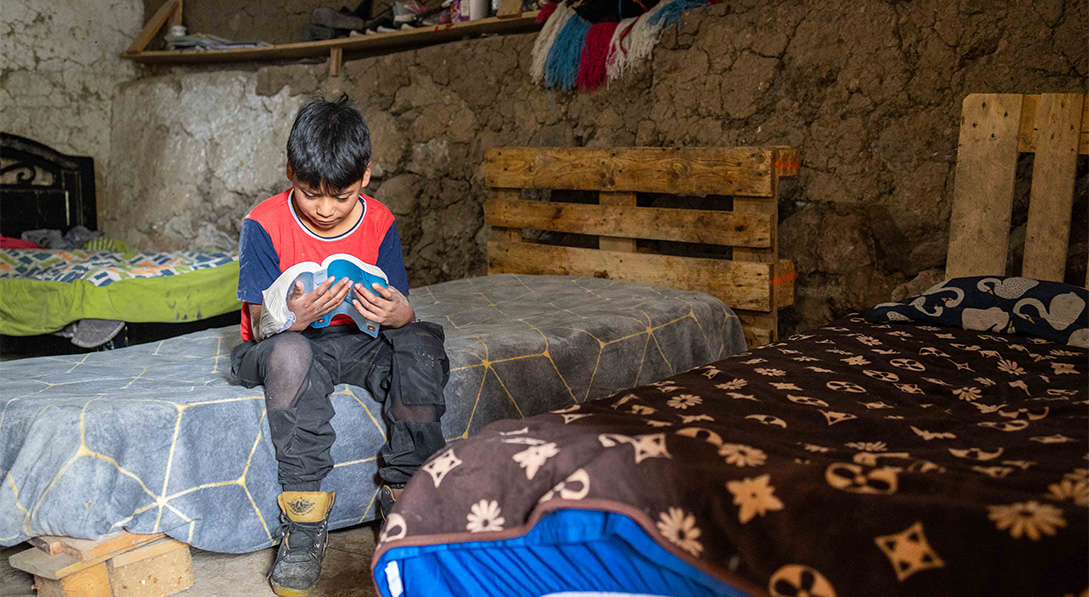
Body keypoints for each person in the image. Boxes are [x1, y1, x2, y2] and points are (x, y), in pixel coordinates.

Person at [230, 95, 449, 597]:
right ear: (290, 172)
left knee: (420, 342)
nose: (326, 209)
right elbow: (260, 325)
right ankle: (304, 524)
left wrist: (402, 313)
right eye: (310, 194)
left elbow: (399, 301)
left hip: (357, 340)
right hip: (287, 343)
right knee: (290, 353)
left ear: (366, 176)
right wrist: (291, 316)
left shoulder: (379, 221)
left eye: (342, 196)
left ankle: (406, 495)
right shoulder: (262, 223)